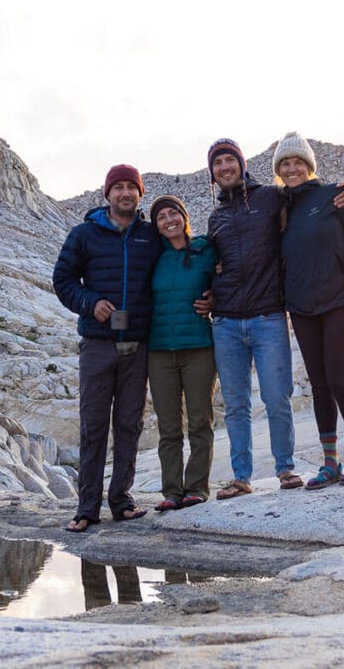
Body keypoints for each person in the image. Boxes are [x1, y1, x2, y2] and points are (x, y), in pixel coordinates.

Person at [205, 138, 344, 499]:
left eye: (230, 159)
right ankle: (241, 477)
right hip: (226, 321)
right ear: (212, 173)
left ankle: (285, 469)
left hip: (268, 316)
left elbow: (310, 193)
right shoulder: (216, 217)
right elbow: (212, 264)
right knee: (236, 404)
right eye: (218, 163)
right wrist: (207, 294)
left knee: (278, 397)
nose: (225, 167)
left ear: (242, 165)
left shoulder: (271, 197)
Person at [52, 164, 159, 532]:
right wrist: (90, 302)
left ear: (140, 194)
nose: (125, 193)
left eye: (132, 187)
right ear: (107, 194)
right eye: (119, 188)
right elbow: (63, 279)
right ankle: (86, 508)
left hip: (138, 345)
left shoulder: (151, 235)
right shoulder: (84, 234)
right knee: (94, 425)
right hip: (98, 344)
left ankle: (122, 500)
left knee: (130, 423)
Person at [273, 132, 344, 487]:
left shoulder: (336, 193)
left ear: (309, 166)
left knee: (337, 378)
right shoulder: (282, 209)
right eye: (285, 164)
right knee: (318, 384)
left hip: (339, 301)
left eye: (298, 163)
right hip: (302, 307)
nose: (292, 169)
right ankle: (330, 462)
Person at [146, 195, 218, 511]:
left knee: (200, 420)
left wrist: (217, 297)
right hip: (159, 350)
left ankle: (197, 487)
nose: (168, 219)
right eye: (160, 217)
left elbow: (228, 278)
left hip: (199, 348)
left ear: (184, 217)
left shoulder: (205, 249)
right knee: (169, 426)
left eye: (173, 212)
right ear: (156, 226)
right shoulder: (152, 258)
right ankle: (172, 491)